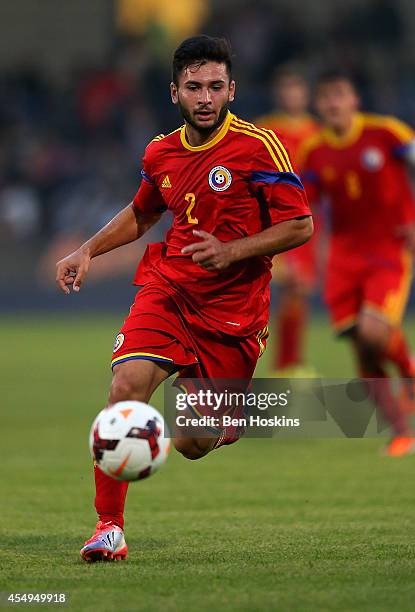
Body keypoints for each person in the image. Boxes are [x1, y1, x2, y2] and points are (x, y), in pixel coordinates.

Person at [55, 35, 313, 562]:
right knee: (125, 385)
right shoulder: (161, 151)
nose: (205, 97)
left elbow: (300, 225)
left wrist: (233, 250)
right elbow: (144, 213)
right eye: (194, 86)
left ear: (231, 90)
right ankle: (109, 528)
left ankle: (220, 425)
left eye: (216, 86)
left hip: (234, 314)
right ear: (175, 92)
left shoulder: (257, 147)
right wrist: (87, 249)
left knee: (194, 442)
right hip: (169, 289)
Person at [299, 70, 415, 456]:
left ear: (354, 100)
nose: (333, 103)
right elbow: (306, 210)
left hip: (388, 249)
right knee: (363, 350)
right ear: (319, 105)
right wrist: (307, 260)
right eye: (326, 97)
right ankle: (400, 432)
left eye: (340, 95)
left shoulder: (387, 134)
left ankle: (410, 371)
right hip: (343, 259)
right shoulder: (313, 152)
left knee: (373, 331)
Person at [256, 66, 320, 375]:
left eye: (296, 88)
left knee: (299, 292)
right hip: (274, 224)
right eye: (285, 88)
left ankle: (291, 363)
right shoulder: (265, 131)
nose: (291, 94)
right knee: (282, 288)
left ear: (305, 94)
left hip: (306, 222)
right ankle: (283, 364)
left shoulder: (317, 133)